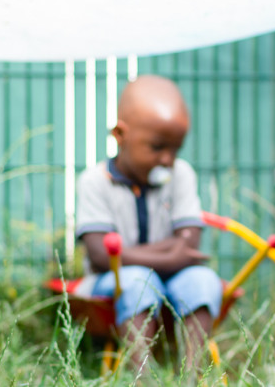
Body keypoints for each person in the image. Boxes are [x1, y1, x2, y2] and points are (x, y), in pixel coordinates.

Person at [74, 75, 221, 372]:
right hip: (115, 282)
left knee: (203, 280)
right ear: (120, 134)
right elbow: (101, 257)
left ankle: (191, 375)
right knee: (137, 280)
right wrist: (171, 250)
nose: (167, 159)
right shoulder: (95, 181)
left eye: (175, 149)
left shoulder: (181, 174)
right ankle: (143, 376)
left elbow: (189, 245)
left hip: (173, 279)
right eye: (156, 147)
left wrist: (127, 253)